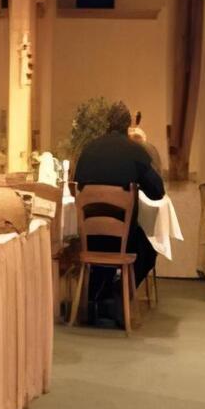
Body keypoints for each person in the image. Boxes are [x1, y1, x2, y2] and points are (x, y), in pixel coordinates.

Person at [73, 101, 166, 314]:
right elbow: (157, 191)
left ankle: (98, 297)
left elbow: (76, 184)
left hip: (89, 239)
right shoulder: (135, 152)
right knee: (149, 249)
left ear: (107, 123)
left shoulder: (88, 150)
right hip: (122, 242)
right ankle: (118, 294)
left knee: (103, 246)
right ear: (128, 125)